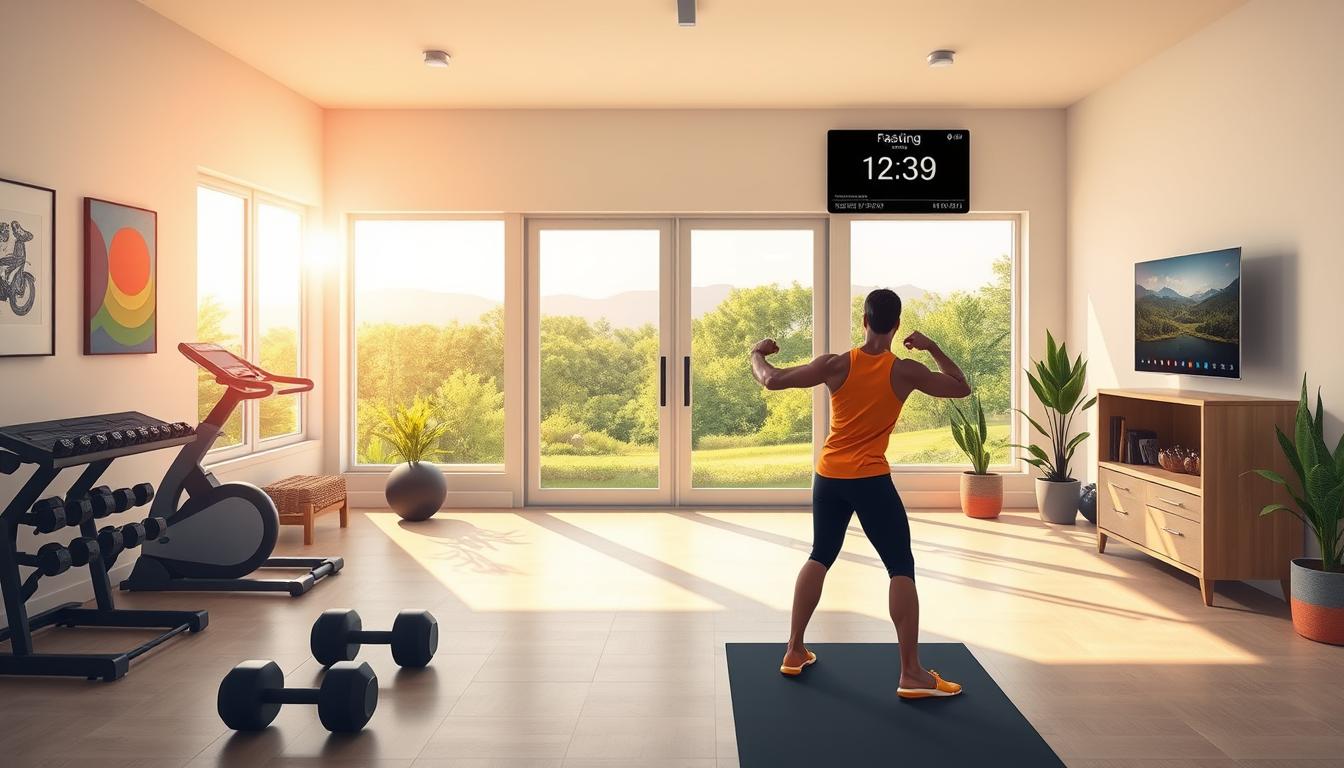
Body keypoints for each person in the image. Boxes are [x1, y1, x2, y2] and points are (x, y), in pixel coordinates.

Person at [749, 288, 970, 699]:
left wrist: (756, 352)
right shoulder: (906, 370)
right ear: (897, 326)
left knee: (821, 554)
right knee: (900, 566)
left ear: (864, 321)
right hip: (870, 481)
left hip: (829, 476)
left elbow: (771, 379)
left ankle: (794, 650)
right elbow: (961, 387)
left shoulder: (835, 365)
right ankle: (911, 673)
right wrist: (933, 347)